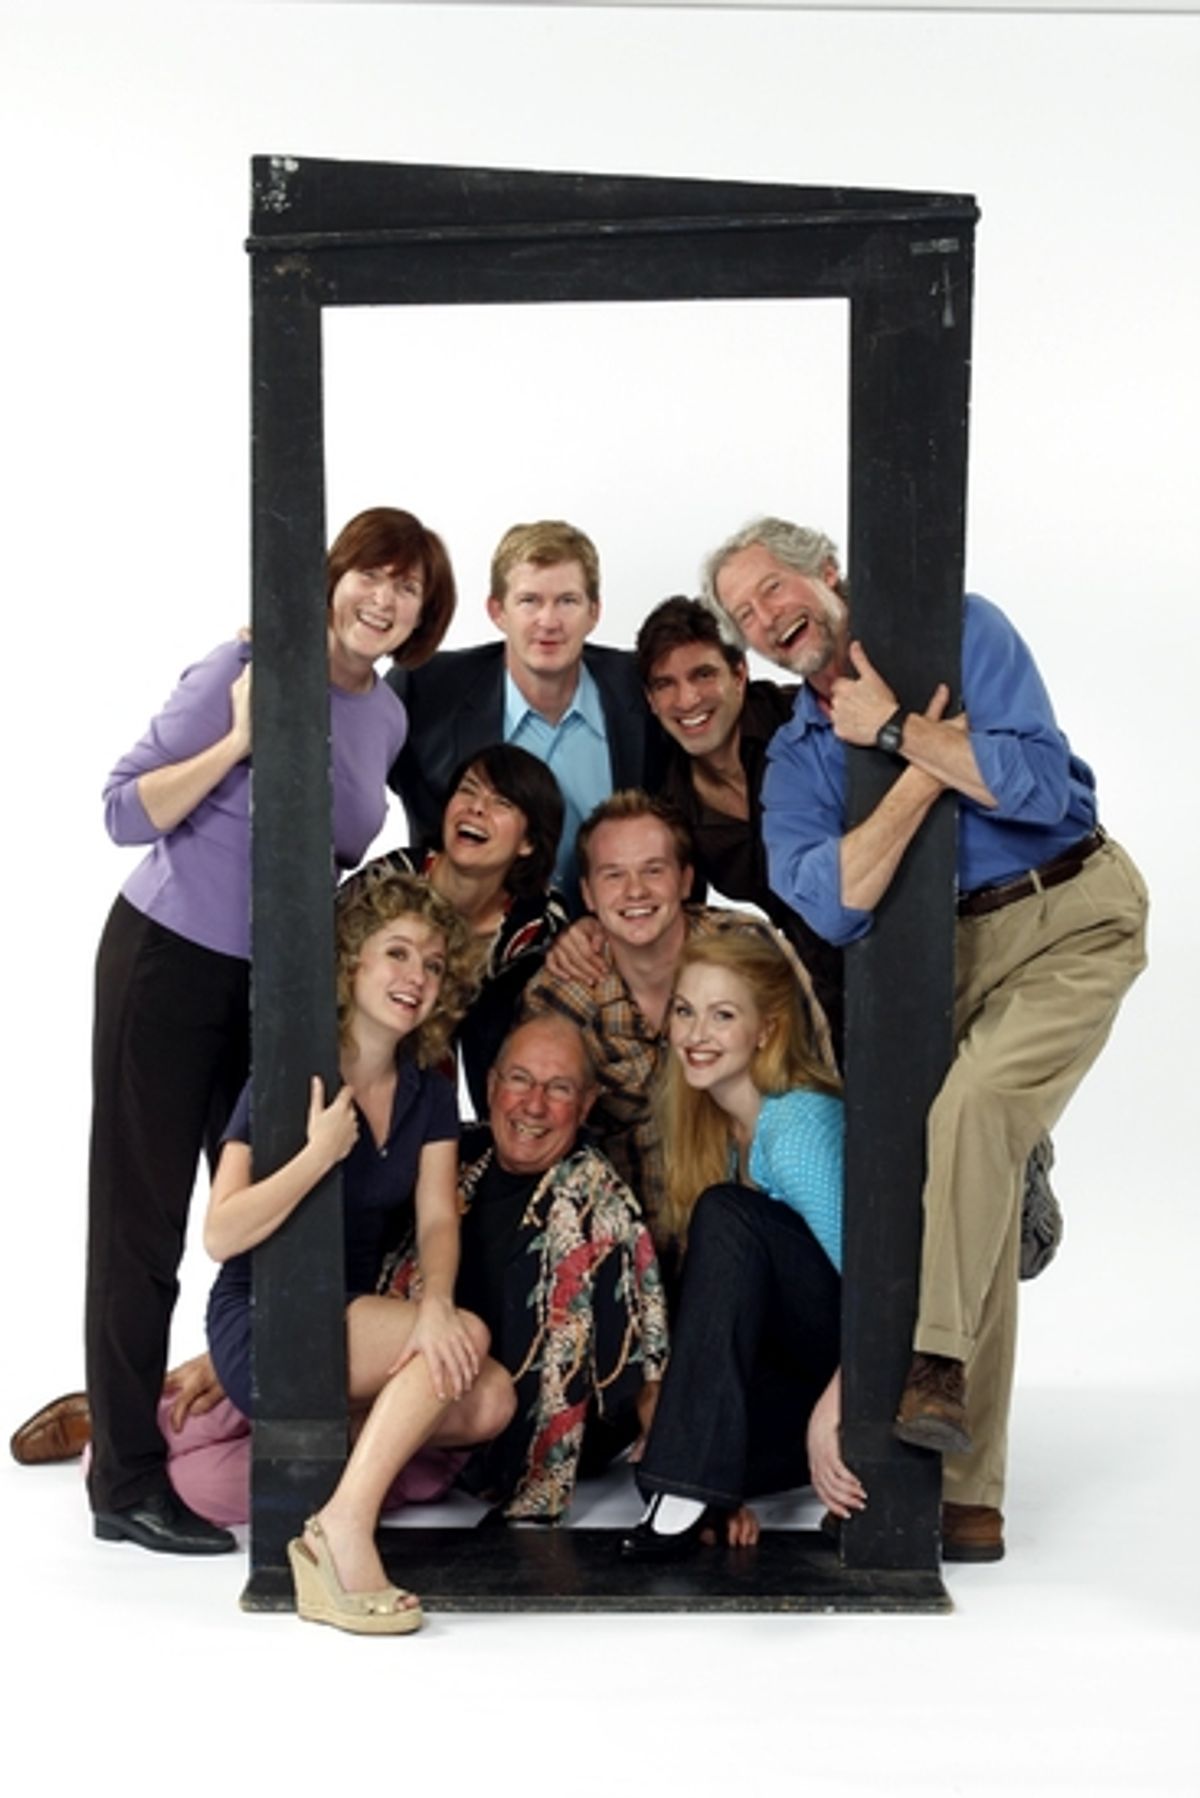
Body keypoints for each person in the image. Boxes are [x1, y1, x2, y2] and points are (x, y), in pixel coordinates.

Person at [705, 515, 1149, 1561]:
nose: (769, 619)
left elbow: (1038, 787)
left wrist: (898, 725)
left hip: (1069, 911)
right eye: (746, 614)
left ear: (828, 569)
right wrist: (914, 758)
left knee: (975, 1114)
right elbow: (836, 904)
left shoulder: (964, 631)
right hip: (944, 965)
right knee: (964, 1174)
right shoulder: (801, 755)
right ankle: (971, 1490)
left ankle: (937, 1374)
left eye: (774, 588)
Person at [85, 505, 456, 1556]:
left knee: (274, 1219)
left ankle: (235, 1420)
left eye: (408, 592)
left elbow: (341, 844)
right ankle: (123, 1479)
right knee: (142, 1223)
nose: (382, 601)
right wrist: (245, 735)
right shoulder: (236, 666)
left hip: (280, 989)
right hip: (169, 959)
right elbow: (121, 809)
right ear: (332, 574)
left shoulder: (384, 718)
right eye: (369, 575)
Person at [205, 870, 515, 1635]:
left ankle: (323, 1468)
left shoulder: (429, 1091)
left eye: (433, 964)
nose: (416, 977)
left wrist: (436, 1304)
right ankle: (342, 1530)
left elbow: (440, 1219)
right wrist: (317, 1155)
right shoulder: (288, 1072)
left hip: (353, 1318)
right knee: (462, 1346)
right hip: (266, 1314)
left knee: (492, 1399)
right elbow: (220, 1235)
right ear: (352, 963)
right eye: (397, 954)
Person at [520, 790, 833, 1268]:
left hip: (762, 1249)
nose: (635, 892)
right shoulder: (561, 996)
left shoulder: (747, 949)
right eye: (613, 875)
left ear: (686, 879)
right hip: (630, 1264)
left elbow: (815, 1084)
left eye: (653, 870)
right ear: (587, 894)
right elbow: (536, 1135)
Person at [385, 1014, 669, 1521]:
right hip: (423, 1414)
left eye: (558, 1089)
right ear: (491, 1085)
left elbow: (650, 1367)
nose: (533, 1105)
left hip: (498, 1442)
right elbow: (367, 1264)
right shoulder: (455, 1156)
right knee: (209, 1444)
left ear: (585, 1106)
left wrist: (691, 1492)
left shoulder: (600, 1206)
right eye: (519, 1079)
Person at [622, 931, 851, 1559]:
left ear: (766, 1031)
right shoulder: (717, 1131)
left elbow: (880, 1296)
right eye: (685, 1010)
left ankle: (684, 1492)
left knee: (725, 1214)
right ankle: (697, 1488)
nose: (696, 1033)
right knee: (672, 1444)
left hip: (859, 1368)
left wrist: (833, 1414)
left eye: (723, 1015)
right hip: (793, 1374)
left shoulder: (796, 1127)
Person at [387, 520, 662, 904]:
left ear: (594, 612)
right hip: (472, 940)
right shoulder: (425, 691)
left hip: (614, 939)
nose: (548, 621)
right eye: (529, 600)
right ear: (497, 611)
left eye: (567, 601)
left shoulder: (643, 686)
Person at [636, 594, 843, 1059]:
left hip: (901, 940)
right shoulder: (671, 804)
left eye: (703, 674)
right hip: (814, 984)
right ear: (651, 701)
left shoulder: (799, 719)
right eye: (665, 684)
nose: (686, 699)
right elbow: (682, 921)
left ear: (740, 673)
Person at [358, 743, 570, 1116]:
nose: (476, 808)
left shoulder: (541, 921)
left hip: (471, 1104)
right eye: (468, 791)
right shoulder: (385, 883)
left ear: (528, 842)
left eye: (502, 803)